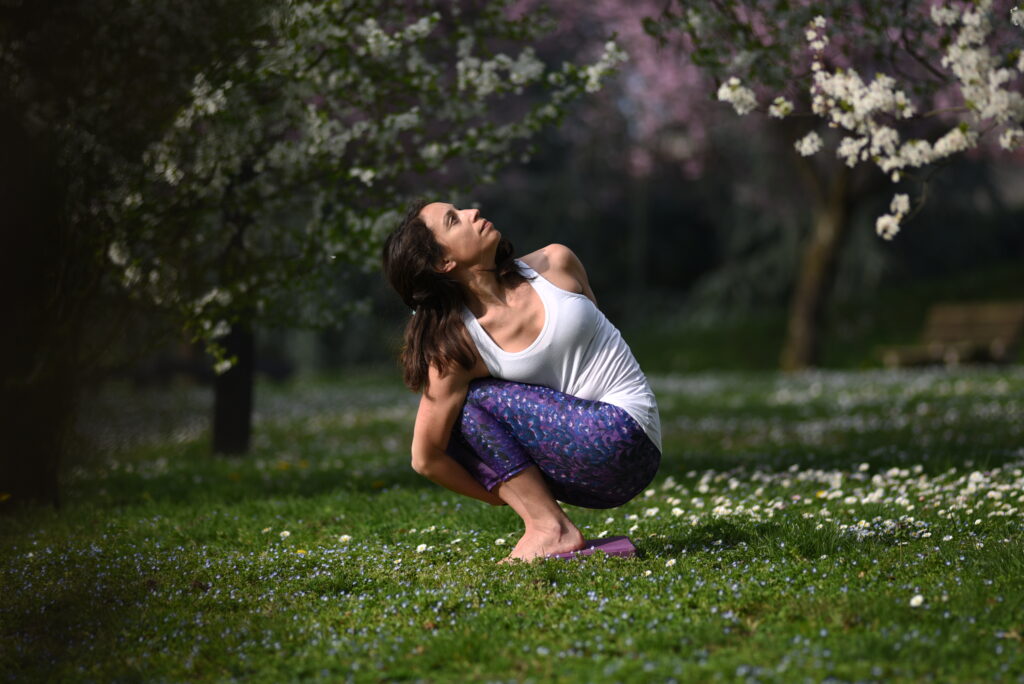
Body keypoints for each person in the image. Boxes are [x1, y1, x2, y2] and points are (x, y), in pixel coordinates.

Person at [381, 200, 662, 563]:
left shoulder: (555, 264)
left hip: (628, 433)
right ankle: (549, 525)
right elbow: (425, 457)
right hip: (599, 471)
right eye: (454, 220)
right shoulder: (460, 343)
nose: (472, 212)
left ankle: (549, 528)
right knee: (457, 411)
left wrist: (501, 488)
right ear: (442, 263)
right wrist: (502, 491)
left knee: (469, 403)